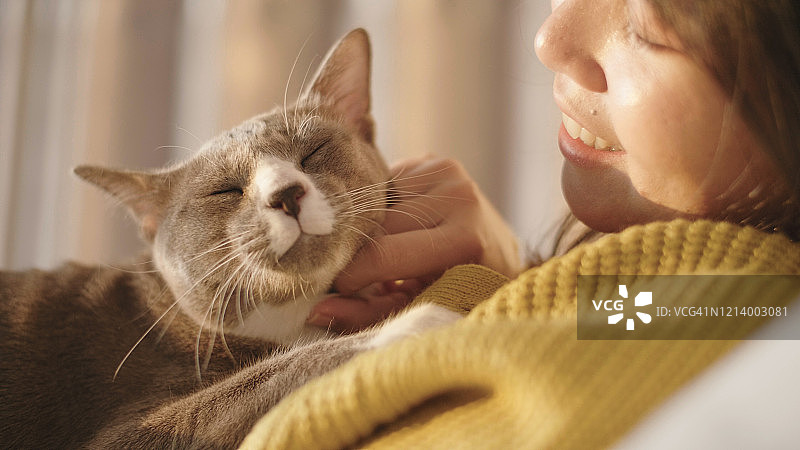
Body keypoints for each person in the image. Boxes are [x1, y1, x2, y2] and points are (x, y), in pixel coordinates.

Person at [247, 1, 800, 448]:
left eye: (649, 29)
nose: (550, 40)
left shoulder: (748, 297)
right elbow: (614, 315)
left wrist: (479, 296)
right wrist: (503, 273)